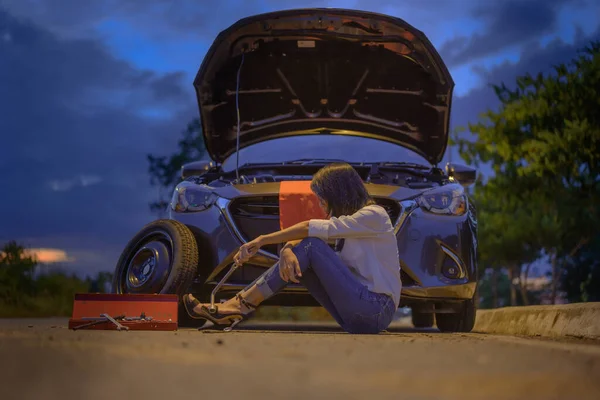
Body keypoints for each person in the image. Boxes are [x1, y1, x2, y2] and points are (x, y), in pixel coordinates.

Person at [183, 162, 402, 334]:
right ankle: (235, 308)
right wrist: (287, 249)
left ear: (338, 193)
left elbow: (310, 231)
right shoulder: (349, 223)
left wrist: (261, 240)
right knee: (303, 256)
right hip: (354, 316)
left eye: (322, 199)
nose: (320, 205)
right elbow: (310, 243)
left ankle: (237, 307)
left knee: (311, 246)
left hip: (376, 309)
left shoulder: (374, 215)